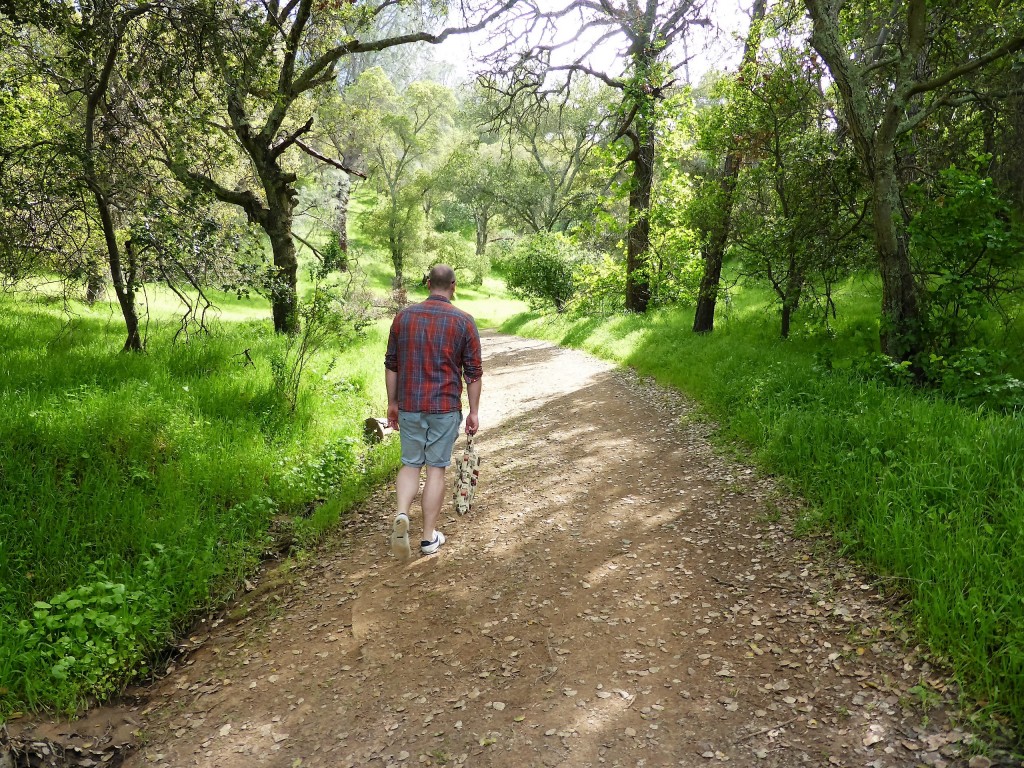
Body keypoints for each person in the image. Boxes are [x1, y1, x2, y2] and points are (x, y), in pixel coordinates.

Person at [384, 264, 482, 557]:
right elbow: (473, 373)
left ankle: (402, 513)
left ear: (428, 284)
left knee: (411, 463)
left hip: (410, 405)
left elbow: (392, 364)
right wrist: (474, 412)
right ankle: (428, 538)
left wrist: (392, 403)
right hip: (444, 406)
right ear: (453, 285)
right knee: (436, 468)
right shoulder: (464, 321)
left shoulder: (403, 317)